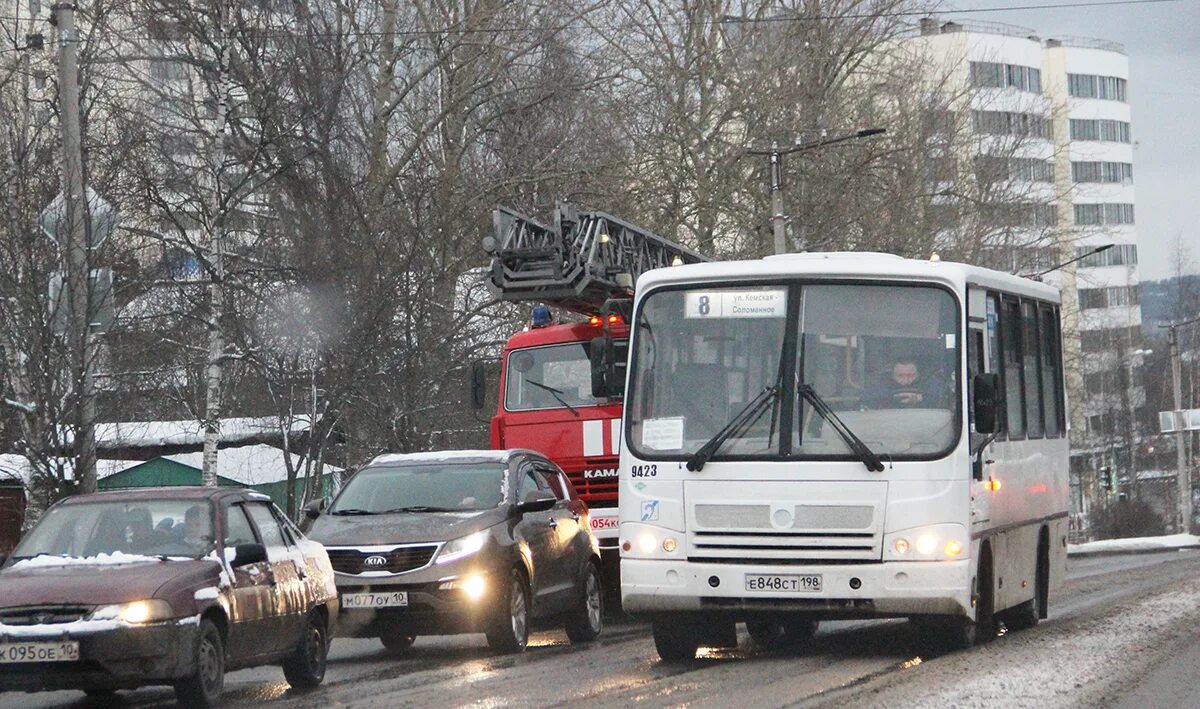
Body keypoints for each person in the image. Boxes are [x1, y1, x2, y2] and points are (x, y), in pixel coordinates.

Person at [866, 357, 944, 409]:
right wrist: (893, 397)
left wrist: (921, 399)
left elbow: (940, 397)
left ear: (918, 374)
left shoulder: (929, 381)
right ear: (892, 375)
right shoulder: (882, 382)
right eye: (900, 376)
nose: (906, 380)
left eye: (911, 375)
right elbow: (868, 398)